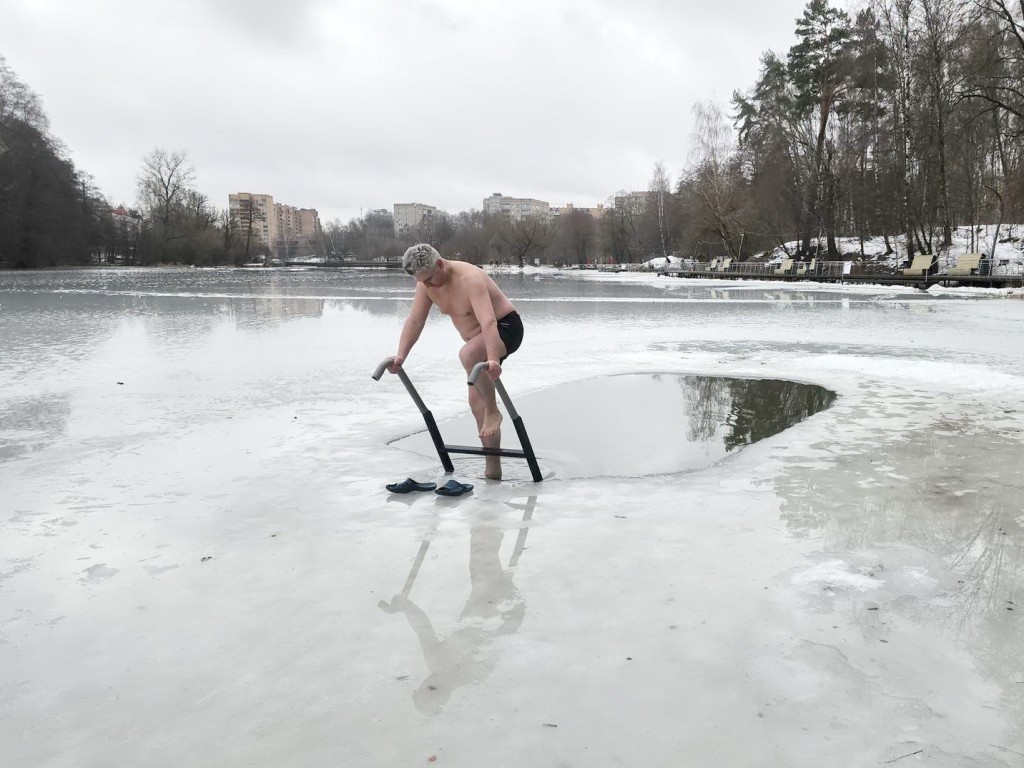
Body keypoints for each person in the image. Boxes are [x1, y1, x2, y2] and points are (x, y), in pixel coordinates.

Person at [388, 243, 524, 480]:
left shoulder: (469, 278)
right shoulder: (425, 284)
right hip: (477, 339)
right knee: (475, 403)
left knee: (468, 355)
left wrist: (493, 360)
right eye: (422, 282)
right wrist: (401, 355)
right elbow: (415, 321)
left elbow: (488, 322)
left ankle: (494, 411)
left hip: (505, 328)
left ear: (440, 264)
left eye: (430, 279)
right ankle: (493, 469)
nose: (427, 285)